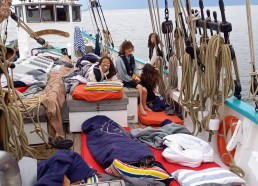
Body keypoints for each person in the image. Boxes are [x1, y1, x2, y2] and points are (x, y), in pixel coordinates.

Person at [116, 40, 148, 115]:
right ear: (124, 49)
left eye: (130, 48)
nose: (130, 50)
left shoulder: (131, 57)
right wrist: (132, 79)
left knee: (145, 90)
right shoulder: (119, 59)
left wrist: (137, 77)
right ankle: (140, 107)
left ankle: (144, 105)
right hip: (123, 80)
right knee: (139, 87)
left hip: (130, 78)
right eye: (127, 48)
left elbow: (135, 69)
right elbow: (122, 74)